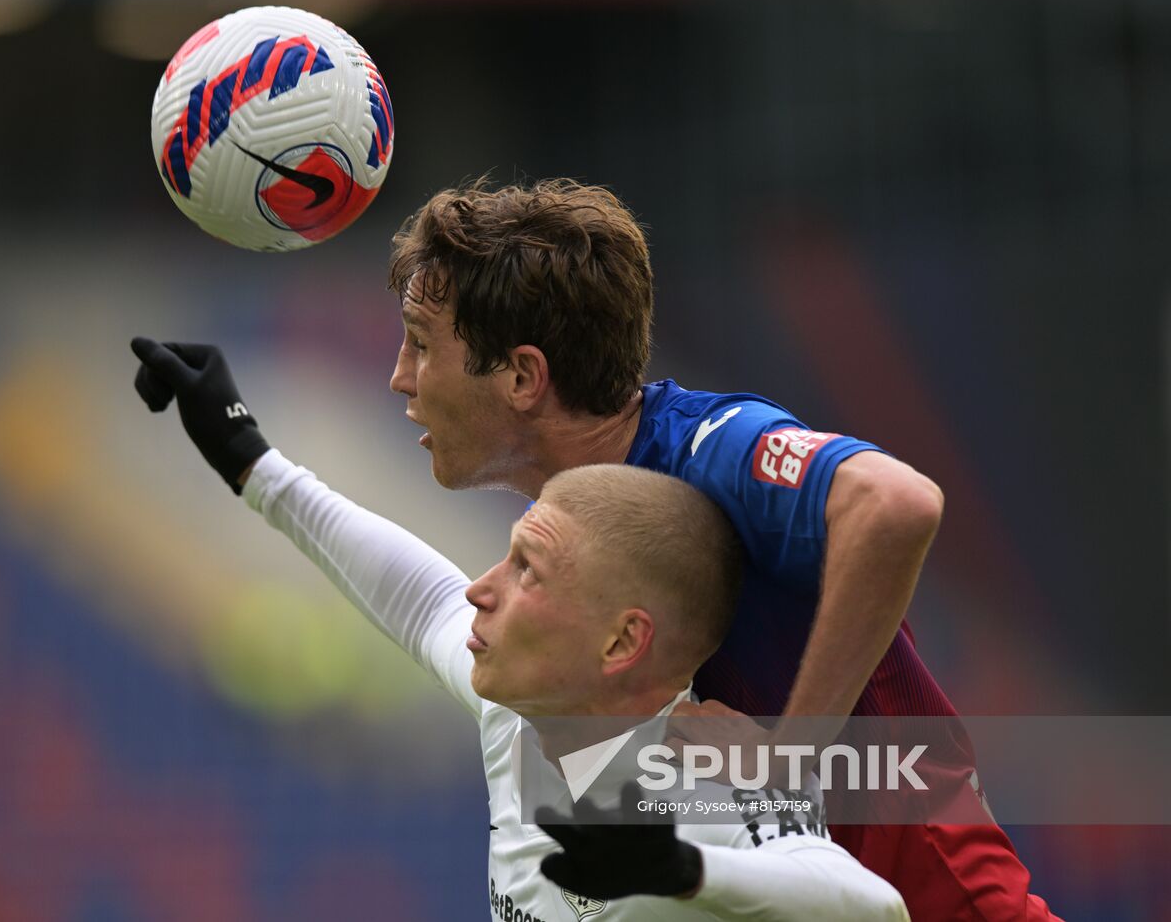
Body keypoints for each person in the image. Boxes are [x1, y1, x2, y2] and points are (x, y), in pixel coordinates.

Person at [379, 179, 1058, 921]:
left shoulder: (709, 448)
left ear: (522, 375)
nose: (400, 377)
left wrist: (788, 756)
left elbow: (897, 503)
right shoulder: (579, 524)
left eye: (419, 343)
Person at [129, 335, 909, 920]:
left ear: (619, 642)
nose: (478, 589)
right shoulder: (520, 711)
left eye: (528, 569)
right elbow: (411, 589)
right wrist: (248, 459)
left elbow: (870, 905)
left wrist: (677, 865)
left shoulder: (708, 775)